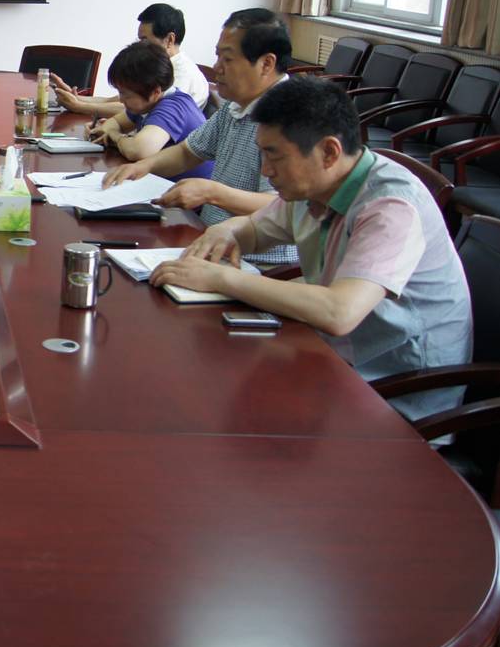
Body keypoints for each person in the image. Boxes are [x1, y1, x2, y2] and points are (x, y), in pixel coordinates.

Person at [149, 78, 469, 424]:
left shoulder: (391, 206)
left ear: (329, 152)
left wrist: (221, 279)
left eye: (274, 155)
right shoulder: (317, 184)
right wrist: (226, 230)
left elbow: (339, 312)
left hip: (395, 392)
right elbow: (255, 229)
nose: (266, 170)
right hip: (336, 355)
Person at [103, 8, 295, 262]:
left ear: (266, 64)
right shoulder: (235, 106)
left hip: (256, 262)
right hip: (209, 243)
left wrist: (211, 193)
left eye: (227, 59)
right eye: (217, 56)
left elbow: (284, 208)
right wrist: (142, 167)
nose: (217, 68)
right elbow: (188, 152)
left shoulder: (289, 116)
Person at [55, 3, 210, 116]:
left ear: (169, 39)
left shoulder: (184, 76)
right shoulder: (159, 66)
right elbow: (121, 99)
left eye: (144, 39)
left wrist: (79, 106)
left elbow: (134, 108)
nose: (140, 46)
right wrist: (78, 99)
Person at [87, 41, 212, 180]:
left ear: (155, 92)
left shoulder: (172, 107)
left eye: (125, 94)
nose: (121, 100)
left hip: (188, 190)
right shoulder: (147, 103)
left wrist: (114, 136)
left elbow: (138, 151)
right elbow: (114, 123)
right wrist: (107, 131)